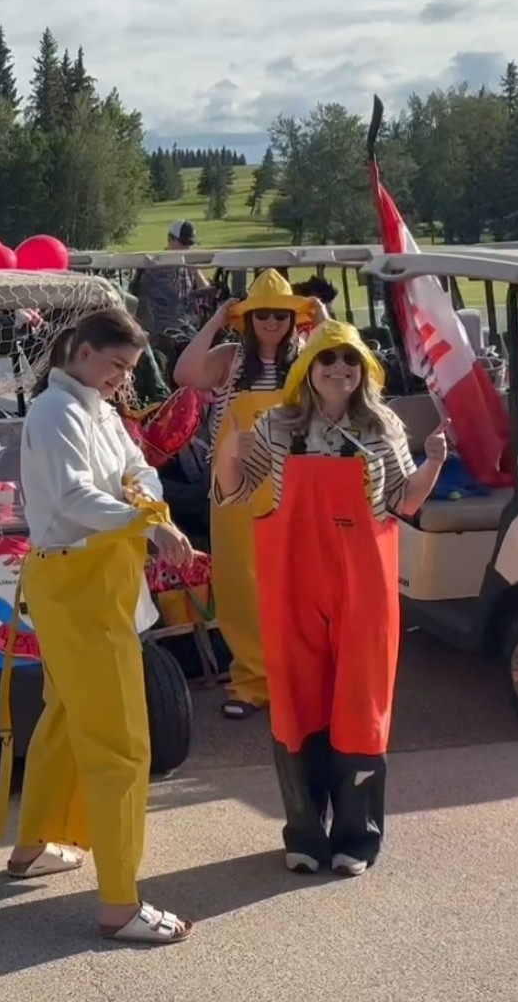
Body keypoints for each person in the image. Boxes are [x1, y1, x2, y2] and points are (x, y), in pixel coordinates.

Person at [213, 319, 447, 876]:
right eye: (327, 360)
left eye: (349, 361)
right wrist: (227, 452)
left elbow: (403, 501)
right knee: (296, 702)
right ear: (308, 370)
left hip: (363, 583)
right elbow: (237, 494)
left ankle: (355, 839)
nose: (339, 369)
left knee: (360, 703)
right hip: (293, 579)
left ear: (363, 369)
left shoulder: (382, 425)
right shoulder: (276, 425)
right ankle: (303, 835)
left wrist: (435, 459)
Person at [3, 306, 196, 944]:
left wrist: (148, 507)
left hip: (98, 586)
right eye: (116, 365)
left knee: (63, 718)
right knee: (121, 746)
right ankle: (120, 902)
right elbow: (74, 499)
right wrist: (149, 521)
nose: (122, 378)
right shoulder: (56, 412)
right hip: (79, 588)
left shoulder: (97, 408)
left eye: (128, 369)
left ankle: (31, 844)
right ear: (83, 352)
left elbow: (137, 469)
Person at [174, 269, 319, 720]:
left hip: (293, 482)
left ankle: (298, 683)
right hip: (236, 487)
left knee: (297, 585)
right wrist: (218, 320)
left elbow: (348, 370)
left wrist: (325, 320)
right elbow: (184, 372)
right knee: (241, 584)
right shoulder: (230, 359)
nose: (272, 322)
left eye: (281, 314)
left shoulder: (307, 359)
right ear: (248, 318)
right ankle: (251, 683)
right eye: (262, 314)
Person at [130, 220, 210, 378]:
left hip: (184, 331)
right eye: (184, 244)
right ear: (170, 240)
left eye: (190, 245)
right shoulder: (154, 269)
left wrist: (195, 269)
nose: (188, 249)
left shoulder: (187, 268)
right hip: (160, 335)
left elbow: (205, 291)